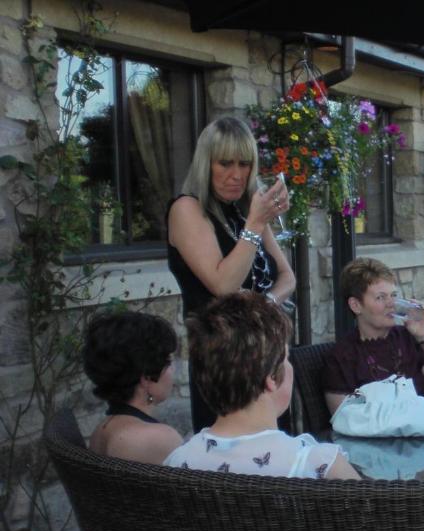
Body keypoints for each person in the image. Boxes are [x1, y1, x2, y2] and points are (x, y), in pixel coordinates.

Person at [167, 116, 296, 433]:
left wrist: (263, 303)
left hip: (268, 356)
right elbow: (223, 284)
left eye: (245, 164)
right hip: (223, 364)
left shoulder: (245, 212)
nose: (236, 175)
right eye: (225, 163)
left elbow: (288, 278)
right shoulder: (187, 208)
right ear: (205, 163)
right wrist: (254, 226)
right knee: (233, 469)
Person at [164, 292, 359, 480]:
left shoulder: (177, 462)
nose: (290, 366)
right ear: (272, 378)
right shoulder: (318, 465)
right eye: (287, 359)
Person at [323, 258, 424, 415]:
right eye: (381, 297)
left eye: (393, 295)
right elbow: (345, 419)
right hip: (378, 438)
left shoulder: (408, 338)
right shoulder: (342, 357)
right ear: (356, 305)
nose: (391, 303)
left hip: (422, 429)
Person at [83, 311, 184, 464]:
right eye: (169, 362)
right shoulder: (160, 438)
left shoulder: (101, 431)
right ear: (147, 378)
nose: (173, 370)